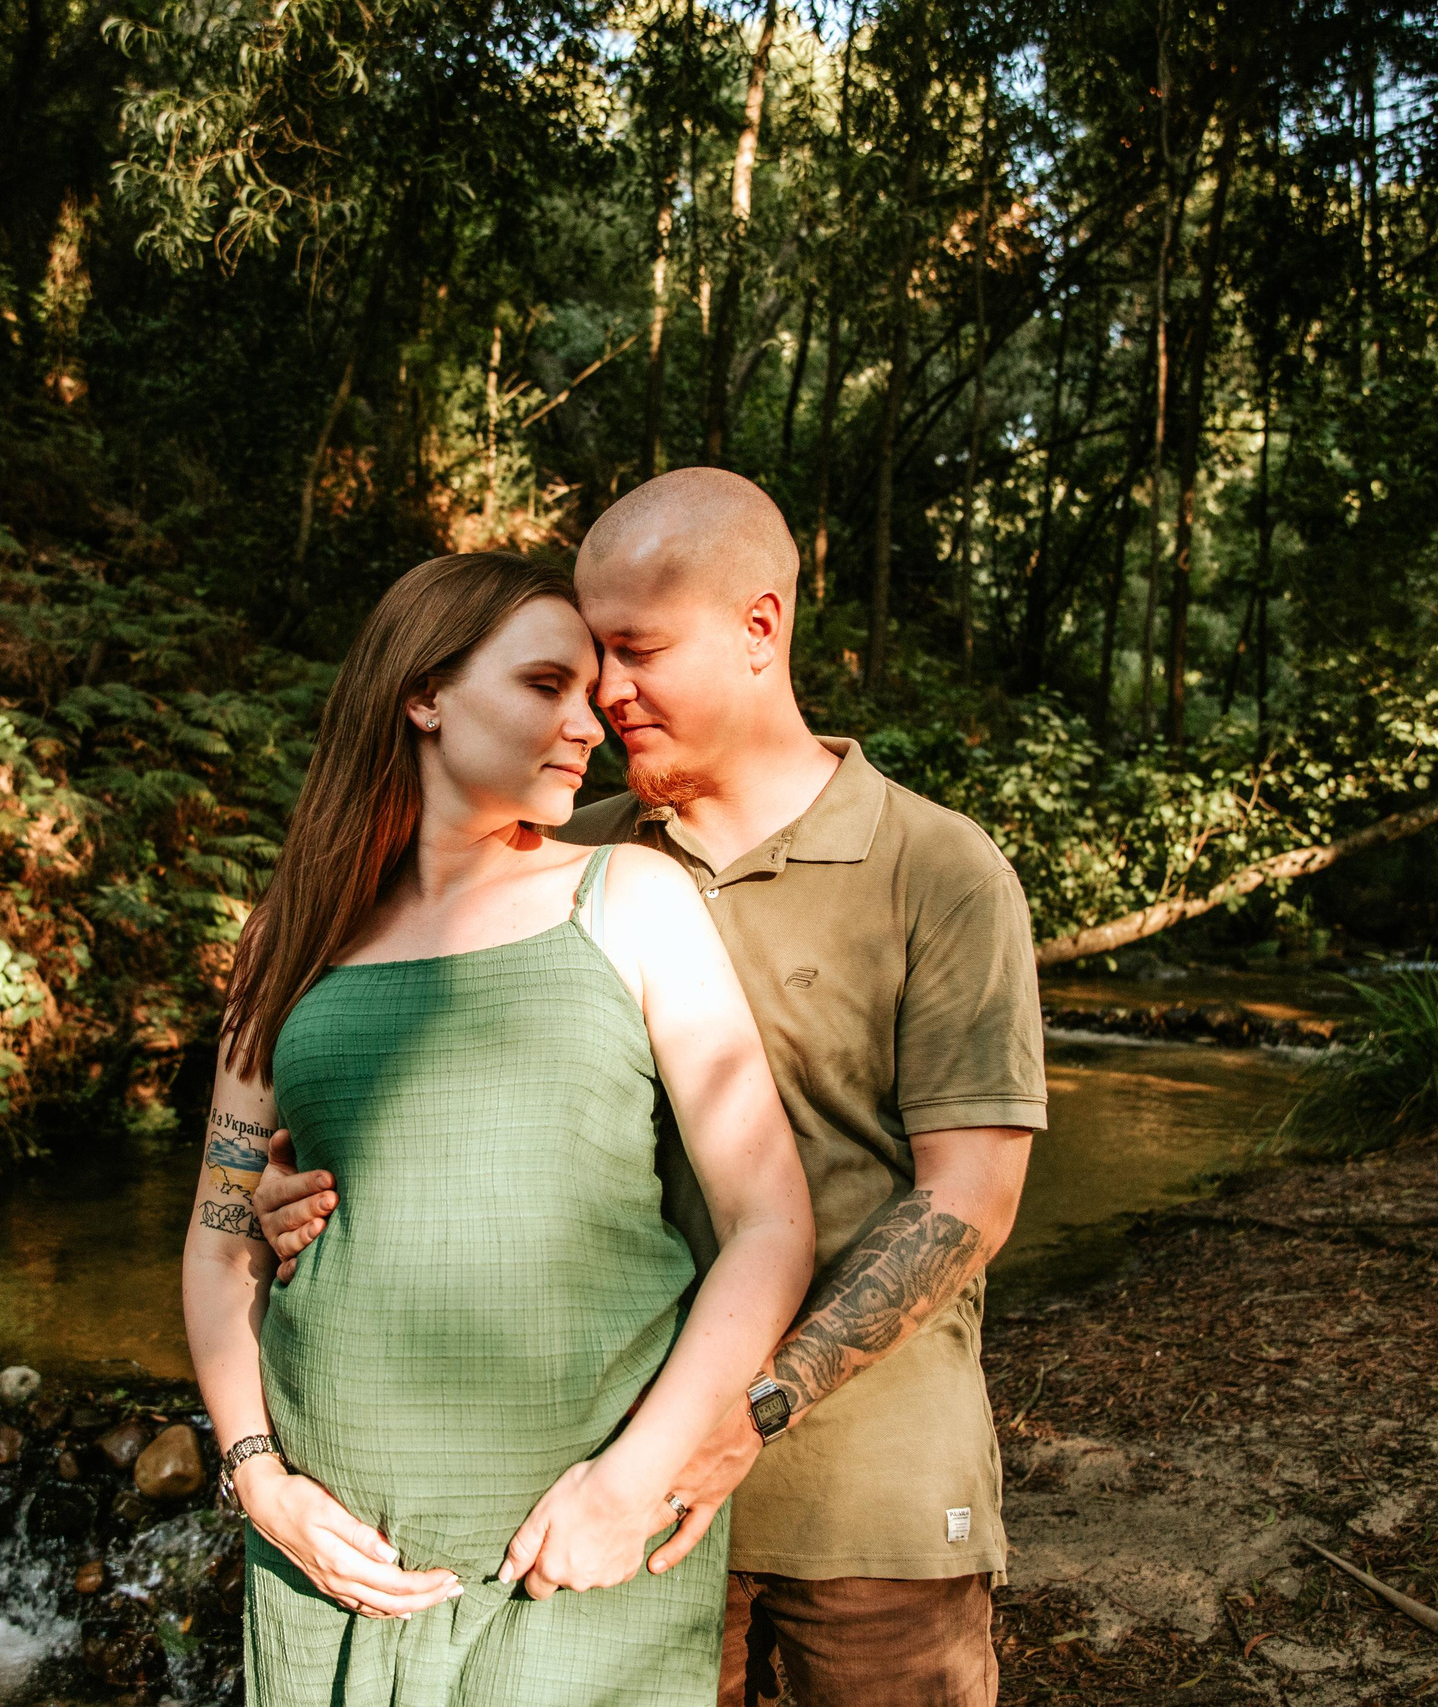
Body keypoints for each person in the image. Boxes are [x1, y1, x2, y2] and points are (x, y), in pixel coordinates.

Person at [256, 471, 1048, 1707]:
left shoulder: (933, 866)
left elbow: (969, 1202)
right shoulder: (571, 848)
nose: (604, 695)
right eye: (581, 662)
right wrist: (288, 1194)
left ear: (760, 628)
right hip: (595, 1495)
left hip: (862, 1497)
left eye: (635, 651)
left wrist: (749, 1412)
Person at [181, 551, 816, 1707]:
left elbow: (769, 1223)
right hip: (330, 1562)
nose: (588, 725)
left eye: (590, 695)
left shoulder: (629, 898)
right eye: (543, 687)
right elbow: (222, 1237)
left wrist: (631, 1482)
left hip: (569, 1561)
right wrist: (260, 1480)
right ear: (424, 695)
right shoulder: (289, 937)